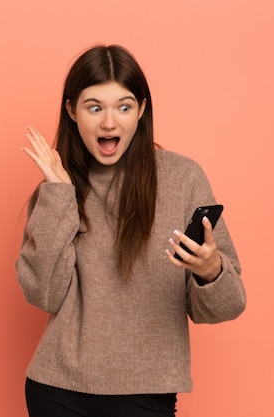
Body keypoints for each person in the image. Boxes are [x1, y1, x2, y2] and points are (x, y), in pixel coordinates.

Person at [16, 44, 246, 417]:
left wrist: (210, 271)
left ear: (141, 110)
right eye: (95, 107)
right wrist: (58, 195)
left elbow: (228, 304)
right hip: (57, 390)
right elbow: (43, 293)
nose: (110, 123)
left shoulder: (182, 178)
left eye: (123, 107)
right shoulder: (58, 187)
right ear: (72, 110)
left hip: (147, 393)